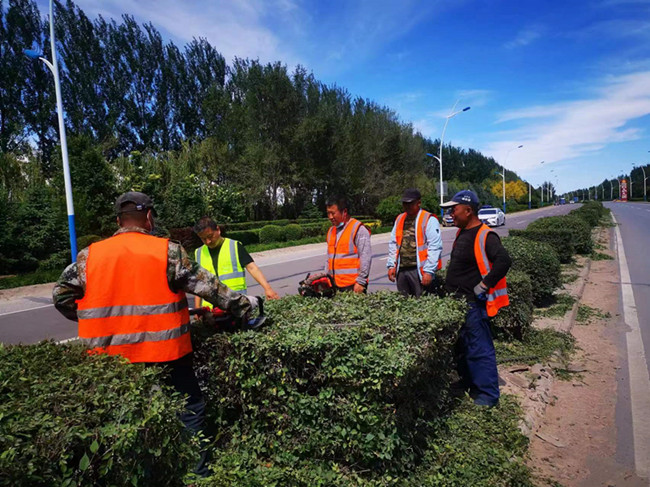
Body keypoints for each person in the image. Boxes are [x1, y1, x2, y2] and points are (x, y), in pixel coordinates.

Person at [53, 192, 257, 477]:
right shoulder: (167, 251)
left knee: (124, 420)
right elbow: (209, 288)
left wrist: (94, 318)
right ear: (149, 217)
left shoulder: (89, 256)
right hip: (167, 353)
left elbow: (61, 295)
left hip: (110, 361)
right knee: (189, 408)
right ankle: (196, 474)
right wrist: (246, 306)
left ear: (118, 221)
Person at [441, 190, 512, 407]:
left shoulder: (485, 235)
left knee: (478, 348)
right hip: (457, 301)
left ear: (468, 210)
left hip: (472, 303)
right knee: (461, 347)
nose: (451, 213)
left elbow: (504, 261)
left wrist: (484, 285)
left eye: (454, 209)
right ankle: (467, 383)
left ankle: (487, 396)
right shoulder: (461, 233)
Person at [193, 216, 280, 310]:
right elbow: (199, 282)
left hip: (235, 304)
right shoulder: (199, 253)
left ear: (218, 230)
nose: (208, 241)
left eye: (210, 236)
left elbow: (252, 268)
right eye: (203, 239)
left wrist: (268, 288)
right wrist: (198, 307)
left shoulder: (234, 246)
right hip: (210, 309)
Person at [387, 188, 443, 297]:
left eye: (410, 203)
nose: (407, 206)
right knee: (405, 303)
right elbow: (394, 243)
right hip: (402, 270)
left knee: (422, 302)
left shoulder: (428, 219)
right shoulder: (400, 219)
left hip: (419, 271)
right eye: (404, 203)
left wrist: (428, 271)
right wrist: (391, 265)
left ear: (419, 203)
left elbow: (434, 247)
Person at [324, 195, 372, 293]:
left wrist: (361, 281)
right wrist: (326, 279)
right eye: (328, 213)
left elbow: (365, 256)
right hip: (335, 285)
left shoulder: (357, 229)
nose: (330, 217)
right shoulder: (331, 231)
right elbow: (329, 259)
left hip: (353, 285)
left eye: (333, 213)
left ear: (344, 212)